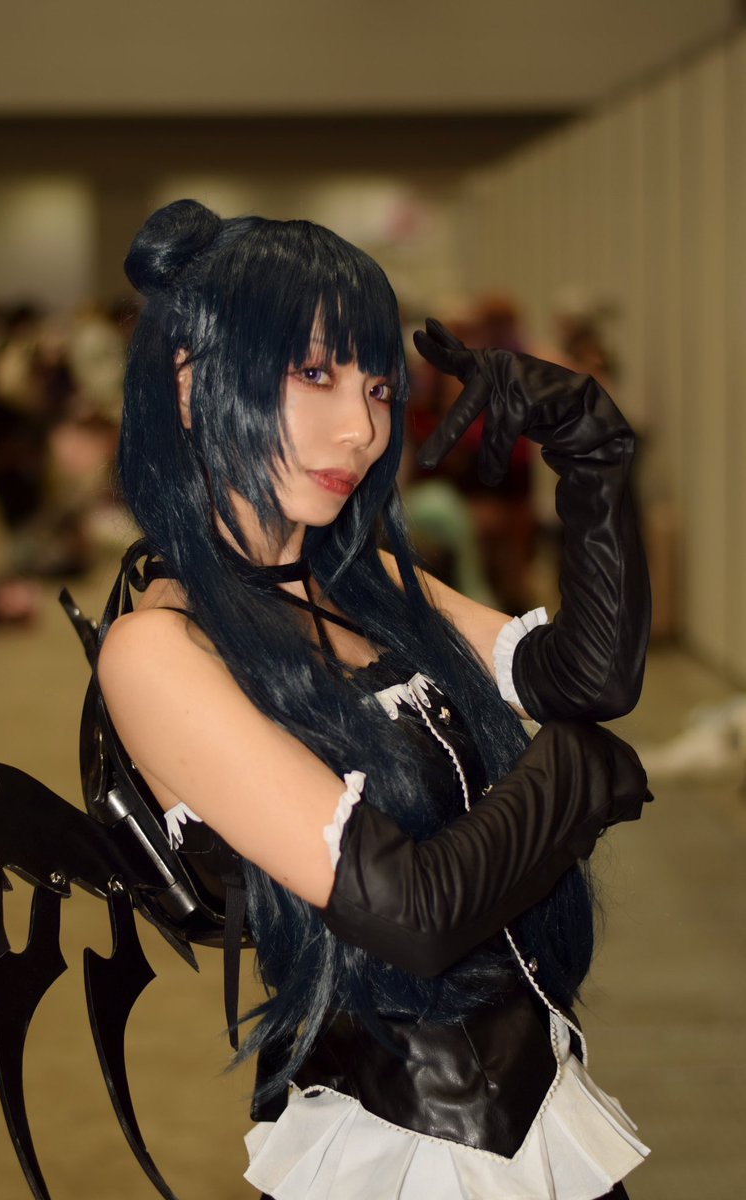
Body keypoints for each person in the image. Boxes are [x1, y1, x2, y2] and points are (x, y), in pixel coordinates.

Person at [97, 199, 652, 1200]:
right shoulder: (160, 652)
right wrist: (574, 773)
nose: (358, 428)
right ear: (189, 384)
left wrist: (591, 451)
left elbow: (587, 679)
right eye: (313, 374)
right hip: (400, 1149)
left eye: (379, 387)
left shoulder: (366, 583)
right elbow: (410, 914)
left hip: (538, 1105)